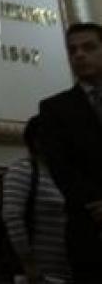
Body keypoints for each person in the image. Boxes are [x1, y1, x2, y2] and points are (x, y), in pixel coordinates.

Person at [38, 22, 102, 282]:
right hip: (90, 226)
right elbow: (62, 169)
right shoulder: (55, 108)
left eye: (89, 47)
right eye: (72, 50)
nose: (79, 55)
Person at [2, 116, 70, 283]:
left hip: (71, 270)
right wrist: (29, 264)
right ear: (38, 141)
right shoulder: (23, 170)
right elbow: (12, 217)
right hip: (37, 274)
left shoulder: (69, 174)